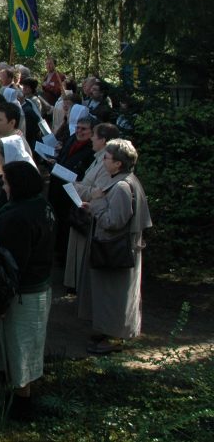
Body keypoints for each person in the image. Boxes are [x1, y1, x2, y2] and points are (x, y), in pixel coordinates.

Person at [0, 160, 54, 421]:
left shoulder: (18, 217)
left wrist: (3, 300)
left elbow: (13, 263)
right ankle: (18, 394)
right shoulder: (41, 205)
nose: (3, 187)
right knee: (21, 347)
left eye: (5, 182)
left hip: (24, 293)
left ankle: (22, 404)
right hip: (36, 287)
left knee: (21, 350)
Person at [78, 139, 152, 355]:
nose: (104, 162)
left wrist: (97, 203)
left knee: (116, 296)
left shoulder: (121, 186)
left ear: (118, 164)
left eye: (107, 158)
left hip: (116, 252)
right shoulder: (124, 180)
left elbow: (113, 221)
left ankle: (115, 337)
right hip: (115, 250)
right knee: (108, 294)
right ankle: (108, 330)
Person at [65, 122, 120, 294]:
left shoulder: (106, 162)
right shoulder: (99, 157)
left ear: (103, 140)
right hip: (82, 211)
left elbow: (99, 192)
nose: (91, 139)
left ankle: (81, 288)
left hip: (90, 214)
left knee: (83, 255)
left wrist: (77, 186)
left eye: (94, 136)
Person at [47, 114, 98, 268]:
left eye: (84, 129)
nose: (79, 131)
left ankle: (64, 259)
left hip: (72, 194)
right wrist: (55, 162)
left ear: (92, 132)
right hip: (57, 188)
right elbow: (64, 158)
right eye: (77, 127)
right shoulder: (71, 140)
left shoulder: (91, 150)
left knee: (66, 226)